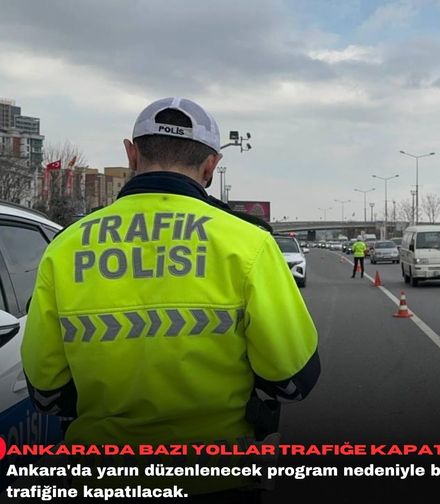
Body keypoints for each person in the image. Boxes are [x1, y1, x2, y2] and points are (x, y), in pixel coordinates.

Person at [21, 97, 321, 500]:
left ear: (131, 153)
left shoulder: (65, 247)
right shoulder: (248, 243)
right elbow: (295, 379)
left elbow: (45, 389)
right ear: (211, 165)